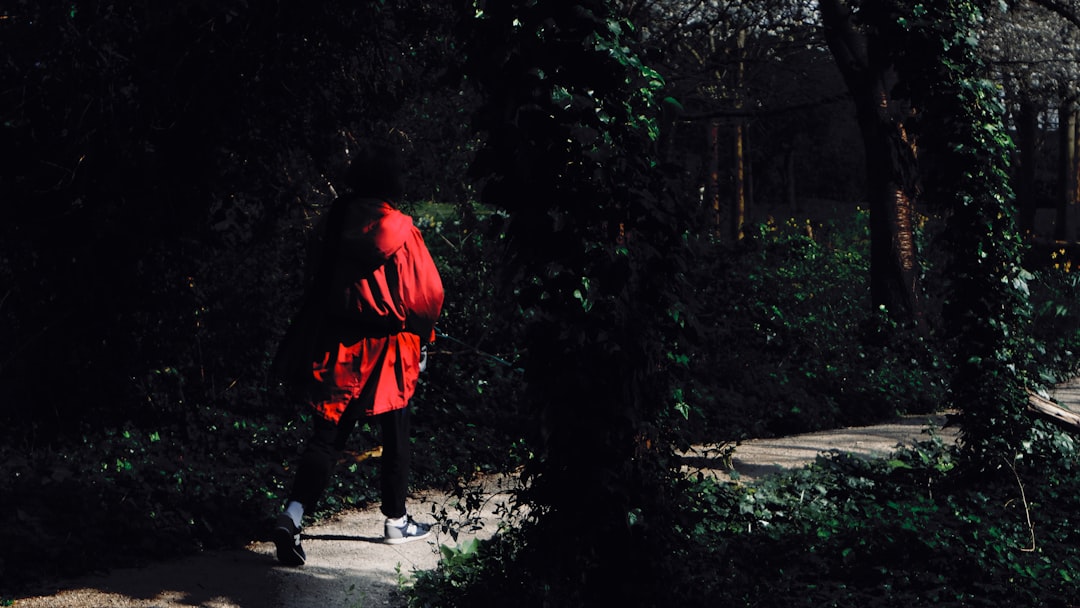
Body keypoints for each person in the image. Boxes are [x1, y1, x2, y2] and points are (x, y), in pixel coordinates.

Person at [270, 141, 444, 566]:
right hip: (391, 346)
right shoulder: (402, 230)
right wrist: (426, 338)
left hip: (341, 342)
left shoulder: (335, 222)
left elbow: (316, 276)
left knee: (328, 434)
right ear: (392, 182)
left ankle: (293, 515)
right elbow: (427, 296)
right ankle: (395, 520)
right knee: (395, 430)